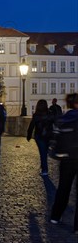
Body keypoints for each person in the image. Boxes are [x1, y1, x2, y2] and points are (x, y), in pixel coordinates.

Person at [50, 93, 78, 231]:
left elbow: (55, 137)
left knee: (63, 189)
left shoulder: (64, 118)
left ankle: (55, 217)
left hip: (66, 159)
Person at [27, 99, 53, 176]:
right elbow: (55, 123)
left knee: (43, 153)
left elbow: (31, 126)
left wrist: (29, 135)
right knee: (44, 152)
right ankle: (43, 166)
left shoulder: (36, 115)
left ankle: (44, 170)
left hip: (39, 136)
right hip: (49, 135)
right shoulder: (50, 114)